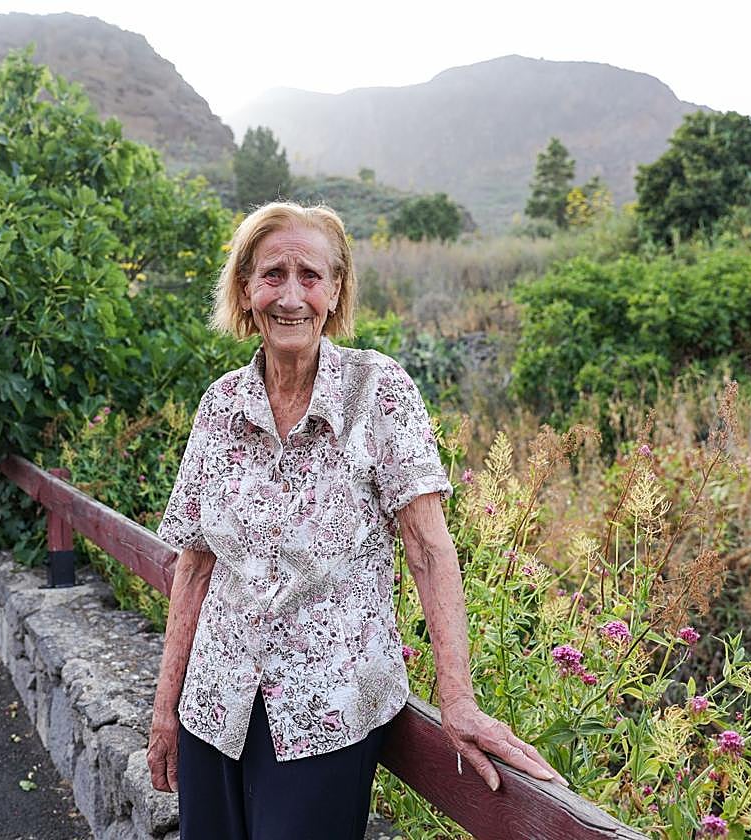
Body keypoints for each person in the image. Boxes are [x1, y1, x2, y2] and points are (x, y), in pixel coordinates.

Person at [147, 202, 564, 839]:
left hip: (326, 716)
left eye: (309, 276)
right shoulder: (220, 404)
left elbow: (428, 549)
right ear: (245, 289)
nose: (291, 295)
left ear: (336, 289)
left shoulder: (378, 390)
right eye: (271, 274)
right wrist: (165, 708)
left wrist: (458, 699)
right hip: (213, 706)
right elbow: (195, 563)